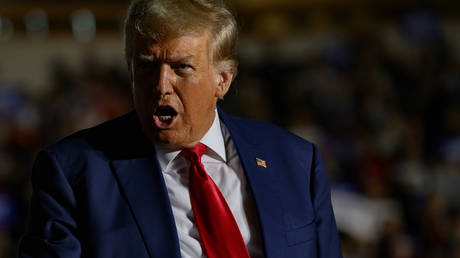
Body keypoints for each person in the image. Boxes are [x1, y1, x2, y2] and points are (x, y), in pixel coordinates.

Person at [19, 0, 342, 257]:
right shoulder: (72, 171)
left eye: (181, 67)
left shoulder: (296, 161)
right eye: (146, 65)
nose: (161, 85)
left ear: (222, 80)